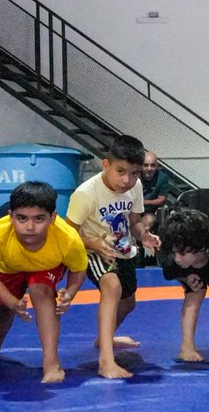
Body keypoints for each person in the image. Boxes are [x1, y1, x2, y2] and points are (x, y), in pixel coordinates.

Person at [0, 181, 88, 383]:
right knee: (3, 309)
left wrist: (70, 293)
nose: (30, 227)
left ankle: (51, 363)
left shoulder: (68, 238)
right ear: (10, 216)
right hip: (9, 266)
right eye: (22, 218)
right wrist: (13, 303)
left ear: (52, 218)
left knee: (41, 291)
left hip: (48, 265)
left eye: (39, 219)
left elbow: (78, 269)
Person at [66, 133, 160, 379]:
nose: (127, 180)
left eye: (134, 173)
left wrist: (144, 236)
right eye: (120, 171)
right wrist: (93, 244)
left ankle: (104, 339)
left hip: (122, 249)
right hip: (92, 250)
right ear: (105, 164)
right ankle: (106, 361)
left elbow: (135, 221)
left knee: (128, 303)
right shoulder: (86, 193)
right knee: (112, 286)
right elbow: (67, 234)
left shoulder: (135, 187)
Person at [159, 206, 209, 362]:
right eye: (174, 252)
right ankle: (187, 346)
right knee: (194, 294)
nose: (177, 258)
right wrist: (185, 279)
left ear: (201, 248)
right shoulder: (174, 262)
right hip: (192, 274)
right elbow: (169, 274)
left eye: (182, 253)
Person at [139, 150, 179, 261]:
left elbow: (162, 199)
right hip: (132, 210)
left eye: (152, 165)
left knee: (148, 221)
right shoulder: (135, 176)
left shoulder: (162, 178)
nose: (149, 168)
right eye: (146, 165)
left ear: (157, 165)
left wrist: (144, 202)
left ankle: (143, 252)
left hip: (150, 212)